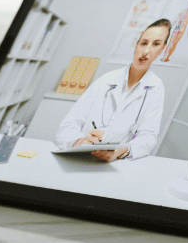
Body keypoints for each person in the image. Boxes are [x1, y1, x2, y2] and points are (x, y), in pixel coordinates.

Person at [54, 18, 170, 161]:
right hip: (79, 158)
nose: (146, 51)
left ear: (163, 49)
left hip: (115, 164)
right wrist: (80, 142)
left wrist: (118, 152)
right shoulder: (106, 80)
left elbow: (148, 137)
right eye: (144, 43)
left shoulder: (155, 88)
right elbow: (68, 125)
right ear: (136, 45)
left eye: (156, 44)